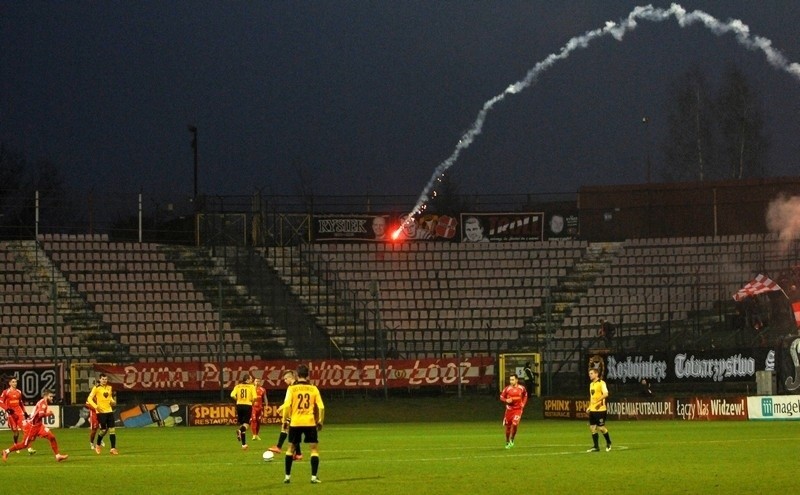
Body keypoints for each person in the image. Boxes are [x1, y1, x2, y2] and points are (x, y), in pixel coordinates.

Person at [281, 364, 324, 484]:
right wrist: (320, 421)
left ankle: (287, 477)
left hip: (295, 422)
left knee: (290, 448)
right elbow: (321, 407)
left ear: (297, 375)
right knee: (314, 449)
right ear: (307, 375)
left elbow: (287, 406)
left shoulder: (292, 389)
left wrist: (285, 421)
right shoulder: (313, 389)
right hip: (309, 422)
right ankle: (314, 477)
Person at [2, 389, 68, 462]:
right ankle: (6, 451)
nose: (52, 398)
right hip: (31, 427)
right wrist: (49, 414)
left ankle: (57, 456)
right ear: (46, 396)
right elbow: (40, 415)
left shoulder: (43, 402)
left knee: (52, 437)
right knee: (24, 444)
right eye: (51, 396)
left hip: (39, 426)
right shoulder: (43, 403)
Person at [268, 370, 302, 460]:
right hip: (297, 412)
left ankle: (279, 447)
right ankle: (298, 454)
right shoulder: (299, 386)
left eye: (285, 379)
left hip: (293, 413)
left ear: (291, 378)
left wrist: (280, 408)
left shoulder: (292, 388)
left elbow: (288, 402)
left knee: (286, 429)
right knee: (292, 432)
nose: (285, 381)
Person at [0, 377, 36, 455]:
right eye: (13, 382)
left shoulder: (19, 392)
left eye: (15, 382)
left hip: (19, 413)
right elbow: (1, 402)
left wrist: (25, 412)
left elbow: (21, 403)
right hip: (11, 414)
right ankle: (15, 445)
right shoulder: (6, 392)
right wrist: (7, 409)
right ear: (9, 383)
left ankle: (29, 448)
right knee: (16, 432)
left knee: (25, 430)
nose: (15, 383)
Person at [87, 373, 119, 455]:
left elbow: (109, 397)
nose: (104, 380)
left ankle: (113, 448)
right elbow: (89, 398)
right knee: (103, 430)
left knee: (112, 430)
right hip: (101, 412)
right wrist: (95, 406)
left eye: (106, 379)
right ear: (100, 379)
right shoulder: (96, 388)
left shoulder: (109, 387)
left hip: (109, 411)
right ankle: (97, 445)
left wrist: (112, 401)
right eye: (103, 379)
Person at [586, 368, 612, 452]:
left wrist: (597, 401)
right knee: (592, 428)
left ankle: (608, 442)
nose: (590, 375)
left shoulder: (602, 383)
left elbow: (606, 394)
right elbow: (592, 397)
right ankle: (596, 447)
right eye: (589, 373)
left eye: (591, 373)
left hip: (600, 410)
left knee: (601, 428)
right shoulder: (591, 384)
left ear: (596, 374)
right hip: (593, 410)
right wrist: (589, 407)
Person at [499, 374, 528, 449]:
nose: (511, 381)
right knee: (508, 427)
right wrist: (506, 400)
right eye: (510, 380)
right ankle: (507, 441)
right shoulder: (507, 389)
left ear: (516, 380)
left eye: (513, 380)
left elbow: (525, 395)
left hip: (518, 409)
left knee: (515, 424)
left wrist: (523, 404)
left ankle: (512, 439)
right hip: (509, 410)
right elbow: (501, 396)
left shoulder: (521, 388)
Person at [231, 374, 256, 450]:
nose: (252, 380)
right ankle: (239, 430)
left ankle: (244, 444)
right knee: (246, 424)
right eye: (251, 379)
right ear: (247, 379)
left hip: (239, 405)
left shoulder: (238, 386)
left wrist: (237, 399)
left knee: (242, 424)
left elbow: (232, 395)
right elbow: (254, 397)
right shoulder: (251, 386)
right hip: (247, 405)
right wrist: (252, 402)